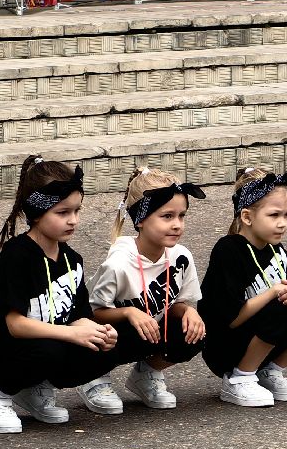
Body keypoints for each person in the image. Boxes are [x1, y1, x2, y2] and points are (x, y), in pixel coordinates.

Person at [0, 157, 122, 434]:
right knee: (52, 345)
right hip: (1, 353)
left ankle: (34, 389)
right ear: (37, 212)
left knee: (109, 340)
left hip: (44, 346)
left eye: (77, 210)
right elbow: (15, 326)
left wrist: (100, 331)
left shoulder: (71, 259)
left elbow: (78, 317)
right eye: (62, 212)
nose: (73, 220)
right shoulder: (18, 256)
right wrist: (72, 334)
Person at [199, 168, 287, 407]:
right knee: (280, 303)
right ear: (247, 217)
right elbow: (230, 318)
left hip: (266, 339)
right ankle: (239, 378)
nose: (282, 224)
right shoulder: (228, 250)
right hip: (225, 346)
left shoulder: (277, 251)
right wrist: (274, 292)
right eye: (274, 215)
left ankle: (270, 371)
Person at [89, 168, 208, 410]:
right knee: (108, 332)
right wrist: (128, 313)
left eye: (181, 216)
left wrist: (188, 312)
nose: (177, 225)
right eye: (167, 216)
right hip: (110, 333)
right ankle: (94, 377)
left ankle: (147, 374)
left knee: (195, 332)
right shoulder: (118, 264)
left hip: (150, 330)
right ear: (141, 219)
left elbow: (174, 305)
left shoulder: (181, 256)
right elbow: (91, 314)